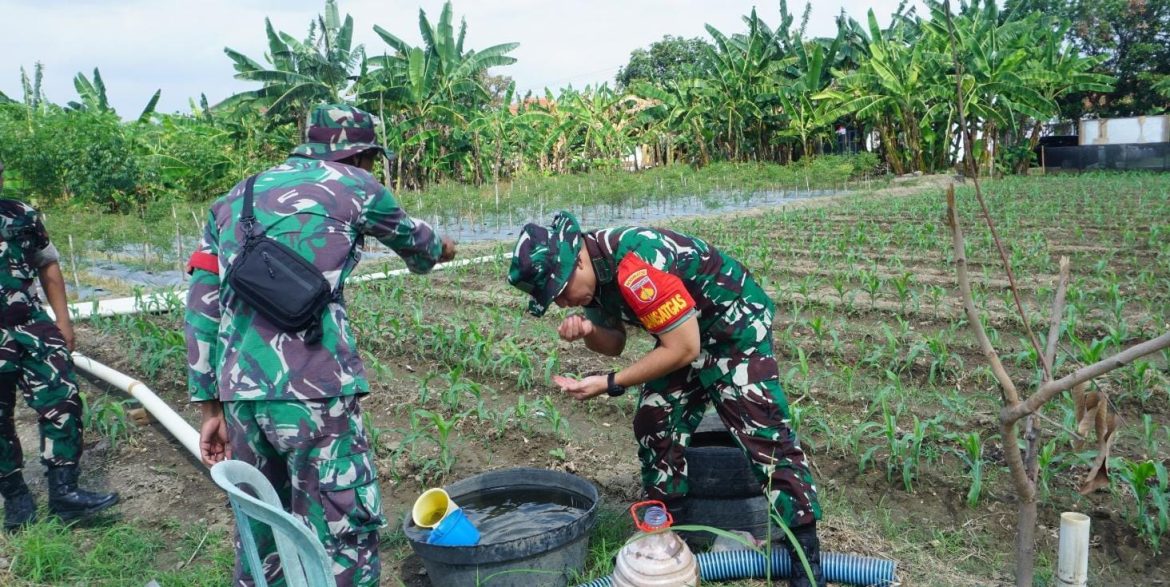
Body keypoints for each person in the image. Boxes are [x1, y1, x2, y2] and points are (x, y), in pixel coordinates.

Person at [184, 104, 456, 587]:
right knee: (340, 530)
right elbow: (422, 247)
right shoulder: (355, 186)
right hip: (317, 392)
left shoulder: (233, 199)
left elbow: (202, 305)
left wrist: (210, 406)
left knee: (261, 531)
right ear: (361, 153)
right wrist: (443, 247)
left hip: (242, 399)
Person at [507, 212, 825, 587]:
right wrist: (590, 330)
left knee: (764, 435)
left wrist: (610, 383)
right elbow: (615, 342)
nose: (562, 303)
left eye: (560, 291)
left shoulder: (634, 266)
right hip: (686, 333)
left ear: (576, 260)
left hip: (734, 327)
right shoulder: (594, 273)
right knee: (654, 419)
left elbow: (685, 348)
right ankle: (672, 533)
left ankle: (805, 558)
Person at [0, 160, 120, 532]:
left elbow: (47, 265)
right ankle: (16, 496)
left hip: (31, 325)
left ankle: (64, 491)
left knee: (63, 399)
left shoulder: (20, 214)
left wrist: (63, 321)